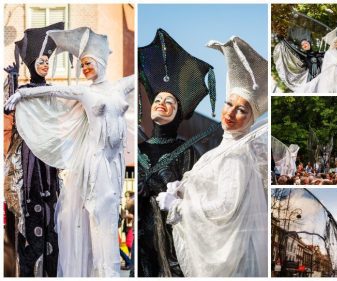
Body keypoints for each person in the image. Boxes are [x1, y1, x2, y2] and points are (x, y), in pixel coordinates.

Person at [5, 27, 135, 277]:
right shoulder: (85, 91)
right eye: (82, 64)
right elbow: (52, 90)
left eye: (88, 63)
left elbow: (138, 75)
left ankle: (108, 272)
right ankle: (103, 273)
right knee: (97, 216)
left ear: (99, 61)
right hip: (95, 163)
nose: (85, 68)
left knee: (110, 220)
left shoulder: (118, 87)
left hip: (114, 164)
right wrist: (20, 92)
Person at [157, 36, 268, 277]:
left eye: (242, 109)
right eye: (229, 103)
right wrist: (184, 189)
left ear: (251, 118)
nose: (231, 113)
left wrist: (178, 206)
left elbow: (225, 207)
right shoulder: (225, 149)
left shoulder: (236, 156)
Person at [137, 28, 216, 277]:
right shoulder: (136, 150)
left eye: (169, 101)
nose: (161, 102)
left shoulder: (189, 152)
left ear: (178, 113)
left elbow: (201, 201)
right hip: (139, 245)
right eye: (158, 99)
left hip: (173, 246)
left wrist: (175, 198)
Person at [3, 22, 64, 277]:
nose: (45, 64)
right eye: (41, 60)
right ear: (31, 64)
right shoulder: (23, 91)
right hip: (29, 163)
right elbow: (9, 112)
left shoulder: (54, 92)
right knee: (29, 222)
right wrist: (13, 82)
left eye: (48, 60)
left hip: (48, 162)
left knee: (51, 223)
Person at [301, 25, 337, 93]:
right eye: (334, 42)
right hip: (321, 78)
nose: (336, 44)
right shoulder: (306, 56)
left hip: (332, 77)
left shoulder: (327, 53)